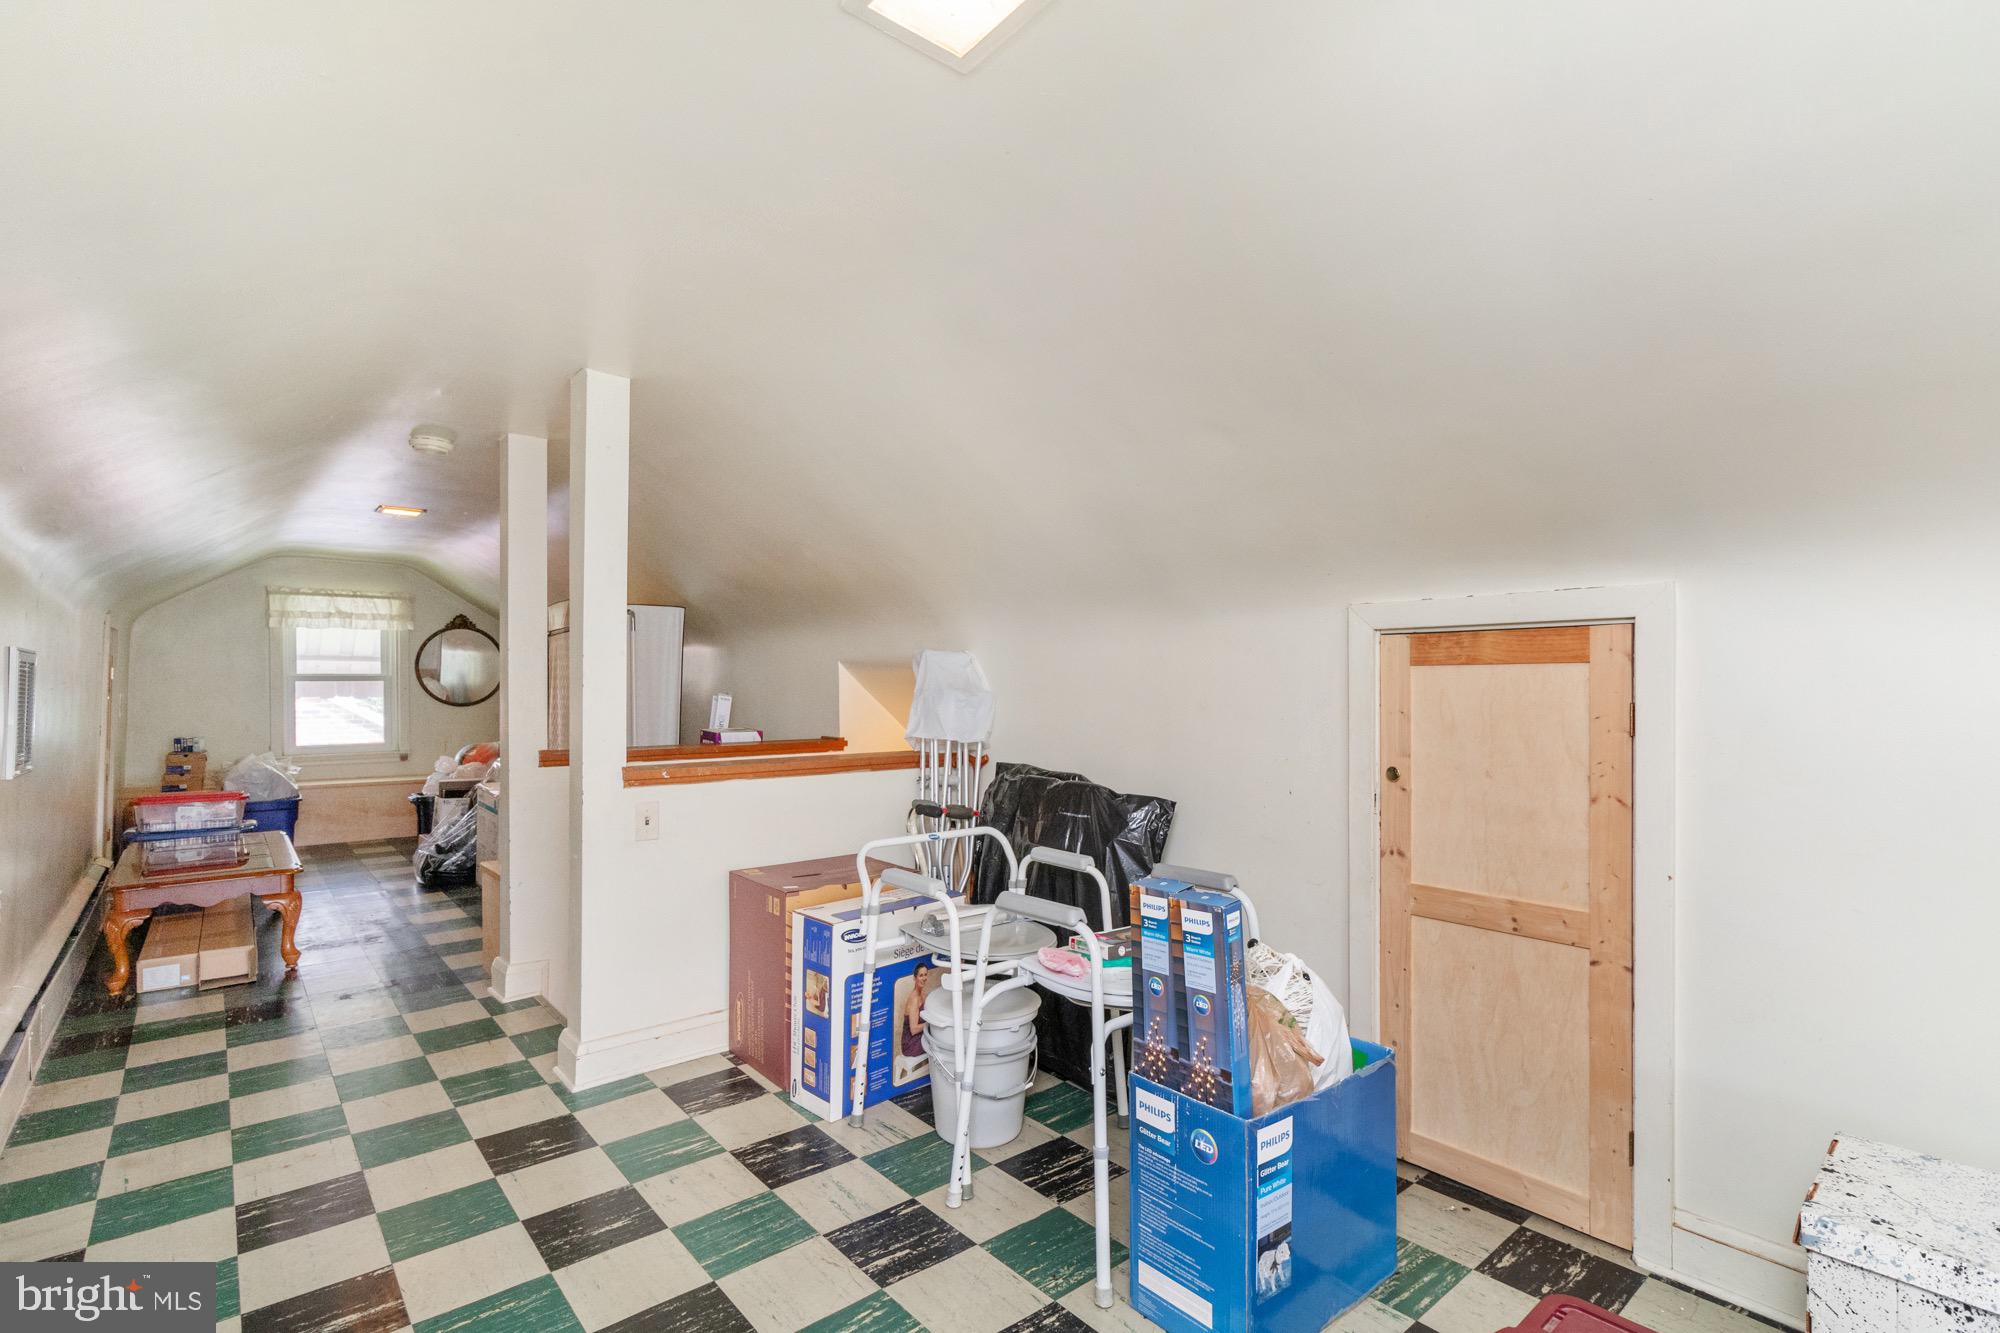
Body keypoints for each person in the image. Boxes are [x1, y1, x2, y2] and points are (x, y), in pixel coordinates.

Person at [901, 963, 931, 1059]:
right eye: (921, 975)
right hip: (910, 1043)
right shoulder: (914, 999)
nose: (924, 978)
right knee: (938, 1041)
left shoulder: (921, 994)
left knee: (938, 1035)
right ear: (915, 978)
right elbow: (913, 1030)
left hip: (918, 1037)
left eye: (925, 975)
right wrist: (930, 1023)